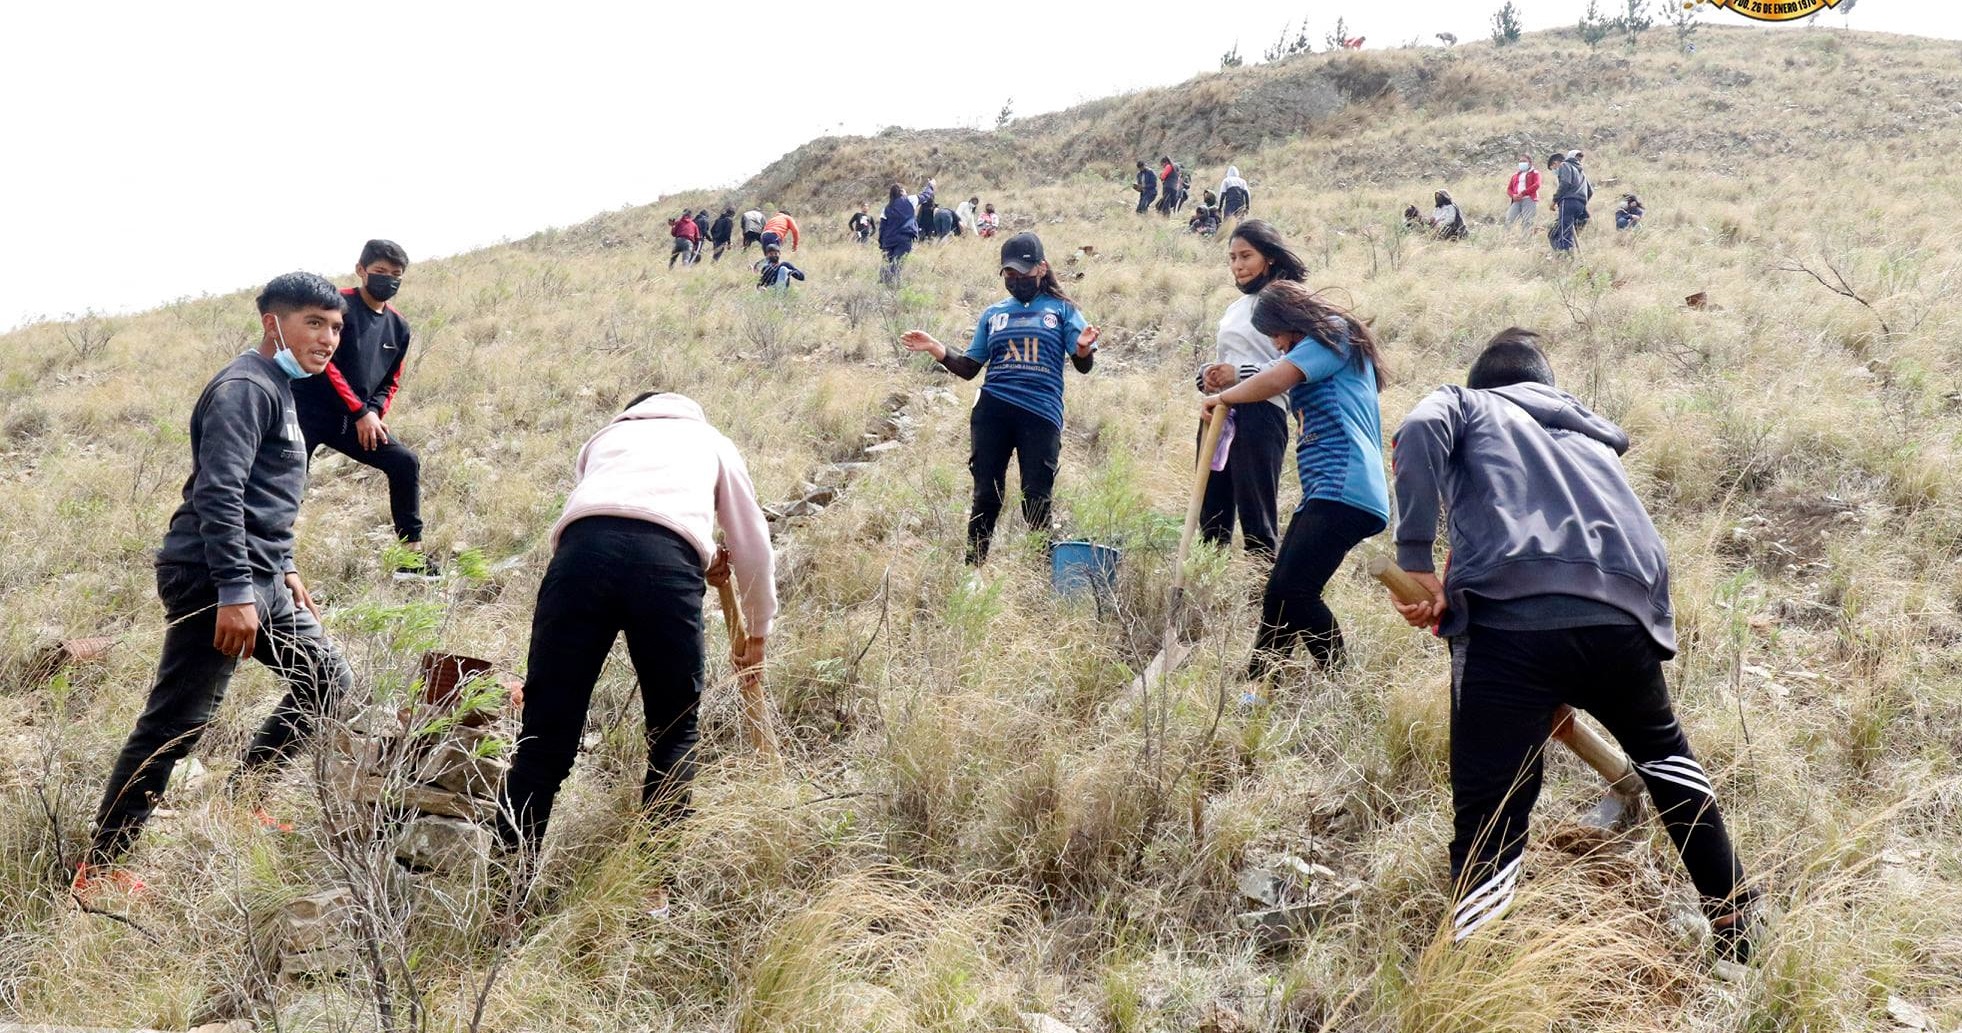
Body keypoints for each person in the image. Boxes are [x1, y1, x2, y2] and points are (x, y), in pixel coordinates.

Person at [1385, 328, 1757, 965]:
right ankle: (1740, 932)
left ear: (1484, 383)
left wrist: (1415, 557)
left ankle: (1475, 972)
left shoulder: (1469, 405)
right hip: (1628, 615)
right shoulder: (1592, 435)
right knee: (1670, 766)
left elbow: (1418, 428)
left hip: (1513, 623)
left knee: (1492, 803)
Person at [78, 273, 354, 887]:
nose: (329, 337)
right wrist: (234, 591)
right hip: (214, 576)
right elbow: (220, 493)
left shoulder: (280, 388)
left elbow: (265, 494)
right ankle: (100, 865)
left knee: (329, 679)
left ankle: (243, 799)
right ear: (272, 322)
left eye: (336, 326)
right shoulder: (242, 388)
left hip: (262, 575)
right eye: (314, 322)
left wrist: (285, 566)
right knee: (177, 722)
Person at [497, 391, 776, 853]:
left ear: (632, 411)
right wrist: (759, 629)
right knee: (674, 731)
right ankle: (652, 893)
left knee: (543, 740)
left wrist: (697, 555)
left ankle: (504, 894)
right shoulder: (712, 441)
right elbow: (752, 545)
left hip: (579, 561)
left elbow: (616, 513)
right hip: (667, 568)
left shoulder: (607, 437)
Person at [1199, 280, 1388, 679]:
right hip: (1325, 490)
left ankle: (1342, 683)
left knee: (1295, 592)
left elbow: (1273, 380)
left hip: (1345, 486)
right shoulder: (1312, 348)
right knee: (1279, 596)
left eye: (1277, 335)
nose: (1278, 345)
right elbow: (1263, 377)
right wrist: (1223, 394)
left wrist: (1225, 398)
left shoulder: (1333, 334)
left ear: (1290, 320)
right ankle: (1255, 687)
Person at [900, 232, 1101, 564]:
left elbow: (1084, 365)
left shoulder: (1062, 310)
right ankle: (972, 572)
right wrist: (937, 348)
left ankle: (1041, 571)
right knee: (986, 497)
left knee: (1036, 499)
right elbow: (969, 368)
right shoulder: (994, 314)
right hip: (993, 411)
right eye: (1009, 273)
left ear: (1042, 268)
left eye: (1023, 272)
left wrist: (1081, 349)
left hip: (1041, 413)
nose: (1017, 278)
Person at [292, 240, 436, 580]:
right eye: (381, 272)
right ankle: (270, 558)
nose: (388, 280)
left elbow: (390, 379)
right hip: (307, 412)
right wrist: (360, 411)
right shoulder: (337, 307)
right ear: (361, 270)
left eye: (396, 275)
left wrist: (371, 415)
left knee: (404, 462)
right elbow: (326, 364)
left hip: (355, 421)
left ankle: (412, 559)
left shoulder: (399, 327)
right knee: (289, 482)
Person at [1192, 220, 1302, 559]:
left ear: (1268, 257)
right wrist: (1208, 375)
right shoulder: (1235, 308)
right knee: (1210, 513)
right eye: (1232, 258)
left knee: (1257, 515)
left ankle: (1263, 599)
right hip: (1220, 412)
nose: (1238, 266)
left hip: (1262, 412)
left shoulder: (1288, 299)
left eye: (1246, 256)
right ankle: (1210, 594)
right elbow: (1227, 359)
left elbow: (1295, 365)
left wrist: (1237, 374)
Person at [879, 178, 934, 286]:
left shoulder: (886, 208)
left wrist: (882, 244)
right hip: (904, 239)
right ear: (902, 192)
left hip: (888, 241)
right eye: (904, 190)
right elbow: (925, 196)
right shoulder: (910, 200)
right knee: (897, 264)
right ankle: (894, 287)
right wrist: (930, 185)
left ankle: (883, 286)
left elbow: (882, 228)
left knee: (887, 264)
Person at [1550, 150, 1592, 253]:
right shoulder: (1581, 172)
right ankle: (1565, 254)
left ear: (1555, 163)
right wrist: (1581, 200)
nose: (1555, 170)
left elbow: (1565, 183)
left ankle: (1566, 258)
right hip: (1580, 205)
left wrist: (1554, 200)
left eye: (1553, 167)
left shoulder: (1565, 165)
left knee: (1562, 233)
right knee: (1562, 232)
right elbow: (1590, 191)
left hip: (1568, 202)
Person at [1504, 153, 1541, 236]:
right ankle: (1504, 237)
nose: (1521, 163)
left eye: (1524, 161)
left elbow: (1537, 185)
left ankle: (1526, 239)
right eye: (1520, 161)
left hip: (1529, 199)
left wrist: (1523, 193)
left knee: (1527, 220)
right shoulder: (1515, 175)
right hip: (1516, 200)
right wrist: (1513, 195)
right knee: (1509, 218)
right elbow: (1509, 189)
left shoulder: (1535, 173)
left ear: (1530, 163)